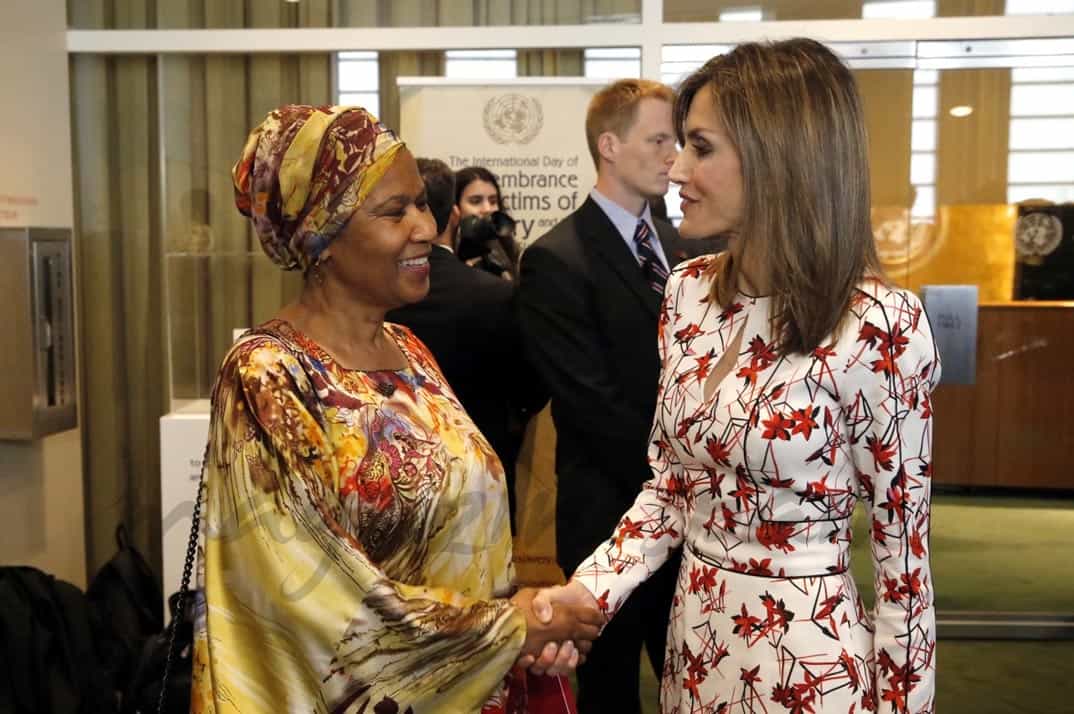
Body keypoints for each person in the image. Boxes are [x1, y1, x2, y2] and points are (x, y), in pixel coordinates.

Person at [533, 39, 941, 713]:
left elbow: (904, 564)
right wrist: (586, 593)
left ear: (780, 156)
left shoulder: (878, 323)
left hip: (809, 670)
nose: (675, 170)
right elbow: (669, 490)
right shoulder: (688, 292)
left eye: (700, 147)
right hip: (694, 648)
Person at [189, 105, 600, 714]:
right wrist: (511, 629)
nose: (425, 228)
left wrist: (522, 625)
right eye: (393, 212)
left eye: (422, 204)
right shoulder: (268, 376)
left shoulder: (409, 351)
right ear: (321, 237)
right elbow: (314, 597)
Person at [516, 78, 691, 714]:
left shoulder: (685, 248)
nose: (674, 154)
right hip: (607, 518)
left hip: (689, 522)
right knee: (611, 693)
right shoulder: (556, 260)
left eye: (677, 139)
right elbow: (588, 405)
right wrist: (684, 474)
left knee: (692, 679)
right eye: (659, 138)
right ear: (609, 145)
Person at [387, 157, 545, 531]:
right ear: (455, 214)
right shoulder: (496, 294)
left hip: (397, 471)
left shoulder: (378, 297)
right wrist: (512, 420)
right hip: (484, 469)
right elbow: (532, 384)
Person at [455, 166, 519, 280]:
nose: (487, 209)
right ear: (455, 208)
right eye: (475, 201)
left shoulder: (505, 249)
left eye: (493, 201)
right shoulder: (444, 256)